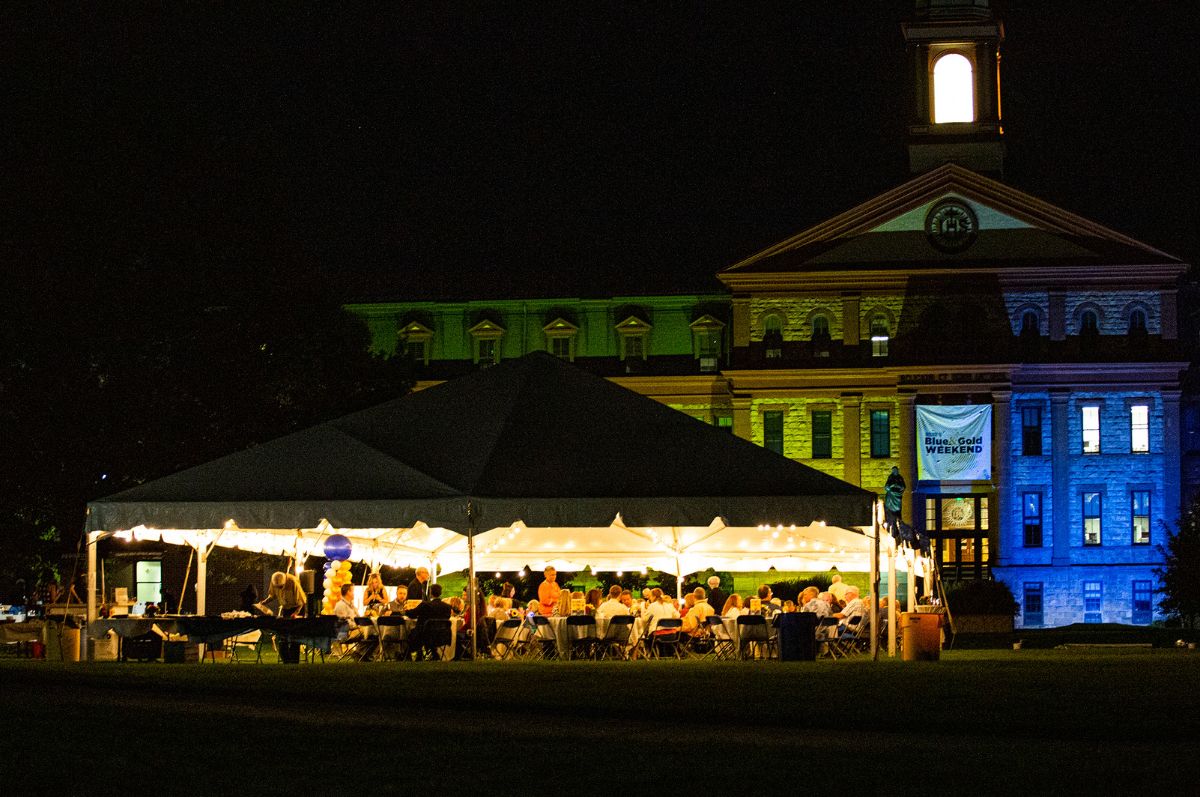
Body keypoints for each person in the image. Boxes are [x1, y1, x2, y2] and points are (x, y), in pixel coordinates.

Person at [408, 583, 453, 660]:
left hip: (425, 634)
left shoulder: (425, 605)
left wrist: (405, 611)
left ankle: (416, 655)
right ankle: (433, 653)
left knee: (409, 633)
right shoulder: (447, 607)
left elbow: (412, 614)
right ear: (441, 593)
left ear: (430, 593)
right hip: (442, 634)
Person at [884, 465, 906, 534]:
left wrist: (898, 486)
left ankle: (897, 523)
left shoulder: (900, 478)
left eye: (896, 470)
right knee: (889, 511)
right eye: (893, 471)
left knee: (897, 510)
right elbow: (886, 487)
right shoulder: (890, 477)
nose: (895, 472)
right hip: (891, 496)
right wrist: (892, 486)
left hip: (897, 497)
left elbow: (903, 487)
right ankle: (890, 523)